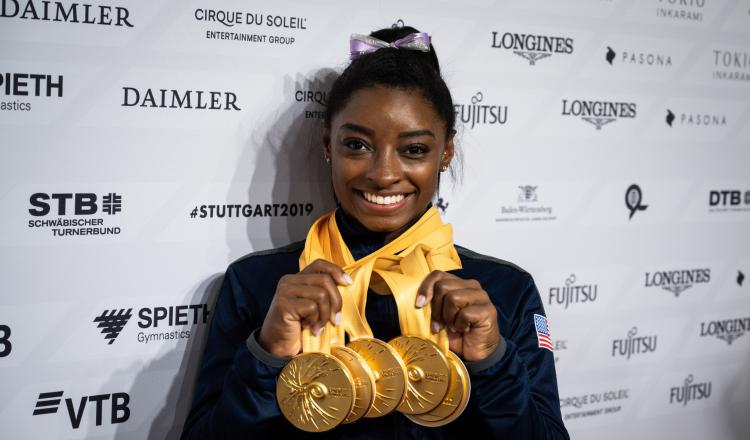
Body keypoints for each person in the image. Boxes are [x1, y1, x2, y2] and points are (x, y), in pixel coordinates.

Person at [181, 25, 569, 439]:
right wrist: (267, 353)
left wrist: (491, 362)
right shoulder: (259, 285)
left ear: (446, 152)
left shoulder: (504, 290)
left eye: (414, 149)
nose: (384, 174)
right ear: (328, 144)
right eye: (357, 145)